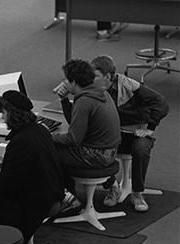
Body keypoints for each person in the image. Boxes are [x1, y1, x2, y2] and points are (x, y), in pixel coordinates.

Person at [0, 91, 65, 244]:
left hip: (35, 203)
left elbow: (9, 184)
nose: (2, 118)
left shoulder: (20, 142)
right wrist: (7, 161)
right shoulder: (39, 130)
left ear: (12, 113)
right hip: (51, 195)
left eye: (3, 113)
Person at [91, 55, 169, 212]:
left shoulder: (129, 85)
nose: (91, 79)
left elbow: (161, 103)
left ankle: (137, 193)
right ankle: (112, 187)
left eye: (95, 76)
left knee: (140, 149)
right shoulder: (93, 89)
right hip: (112, 135)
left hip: (136, 133)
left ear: (107, 76)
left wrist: (150, 128)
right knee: (88, 147)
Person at [52, 59, 121, 195]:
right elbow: (75, 123)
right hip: (110, 152)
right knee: (56, 146)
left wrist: (45, 136)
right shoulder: (101, 93)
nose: (64, 83)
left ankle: (65, 197)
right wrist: (64, 100)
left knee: (45, 150)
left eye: (66, 80)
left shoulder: (84, 101)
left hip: (95, 156)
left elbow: (73, 139)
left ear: (74, 82)